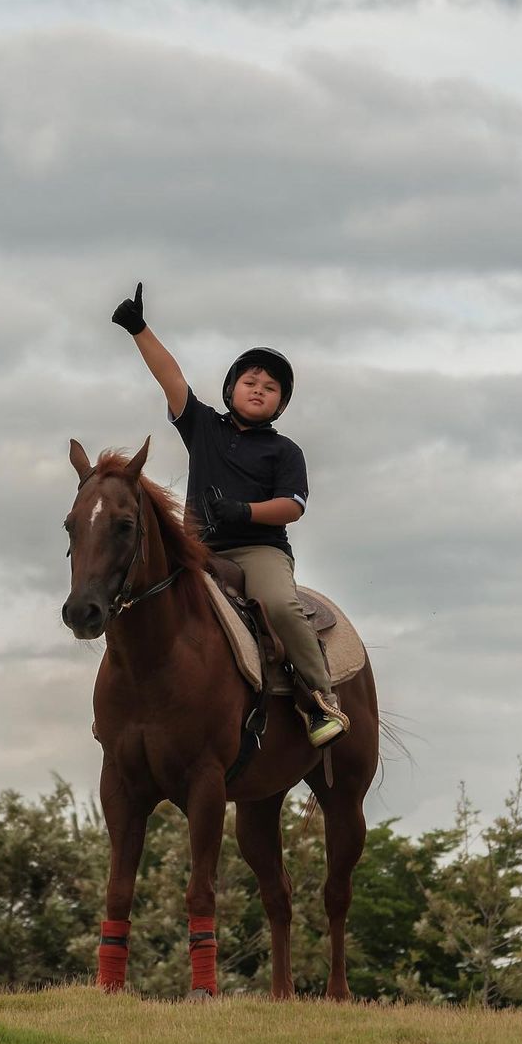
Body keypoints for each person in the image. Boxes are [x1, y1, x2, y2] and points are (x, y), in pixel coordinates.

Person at [110, 281, 348, 747]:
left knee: (280, 605)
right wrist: (139, 329)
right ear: (231, 388)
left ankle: (321, 700)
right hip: (196, 552)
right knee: (141, 601)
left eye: (271, 387)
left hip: (258, 550)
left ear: (281, 402)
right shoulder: (203, 428)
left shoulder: (284, 450)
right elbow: (171, 378)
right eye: (250, 381)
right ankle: (125, 702)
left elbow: (292, 507)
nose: (259, 390)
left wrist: (245, 510)